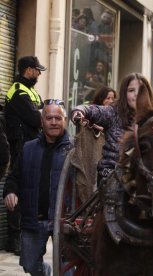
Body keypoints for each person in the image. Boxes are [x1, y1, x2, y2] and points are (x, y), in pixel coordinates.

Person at [3, 100, 72, 276]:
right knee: (30, 265)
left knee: (67, 270)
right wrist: (10, 192)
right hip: (34, 219)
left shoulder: (74, 151)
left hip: (64, 221)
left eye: (58, 118)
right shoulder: (28, 148)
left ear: (65, 121)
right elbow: (14, 178)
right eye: (49, 118)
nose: (54, 122)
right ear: (42, 121)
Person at [71, 73, 153, 184]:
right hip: (112, 176)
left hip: (143, 179)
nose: (136, 94)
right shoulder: (113, 112)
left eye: (141, 90)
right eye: (131, 90)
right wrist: (79, 112)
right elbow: (87, 108)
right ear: (124, 94)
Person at [4, 56, 46, 255]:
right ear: (29, 70)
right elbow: (37, 118)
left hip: (31, 144)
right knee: (18, 189)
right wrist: (44, 113)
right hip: (21, 146)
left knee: (29, 189)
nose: (39, 74)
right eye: (38, 70)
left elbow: (40, 111)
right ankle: (15, 239)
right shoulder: (19, 92)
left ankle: (22, 235)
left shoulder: (29, 91)